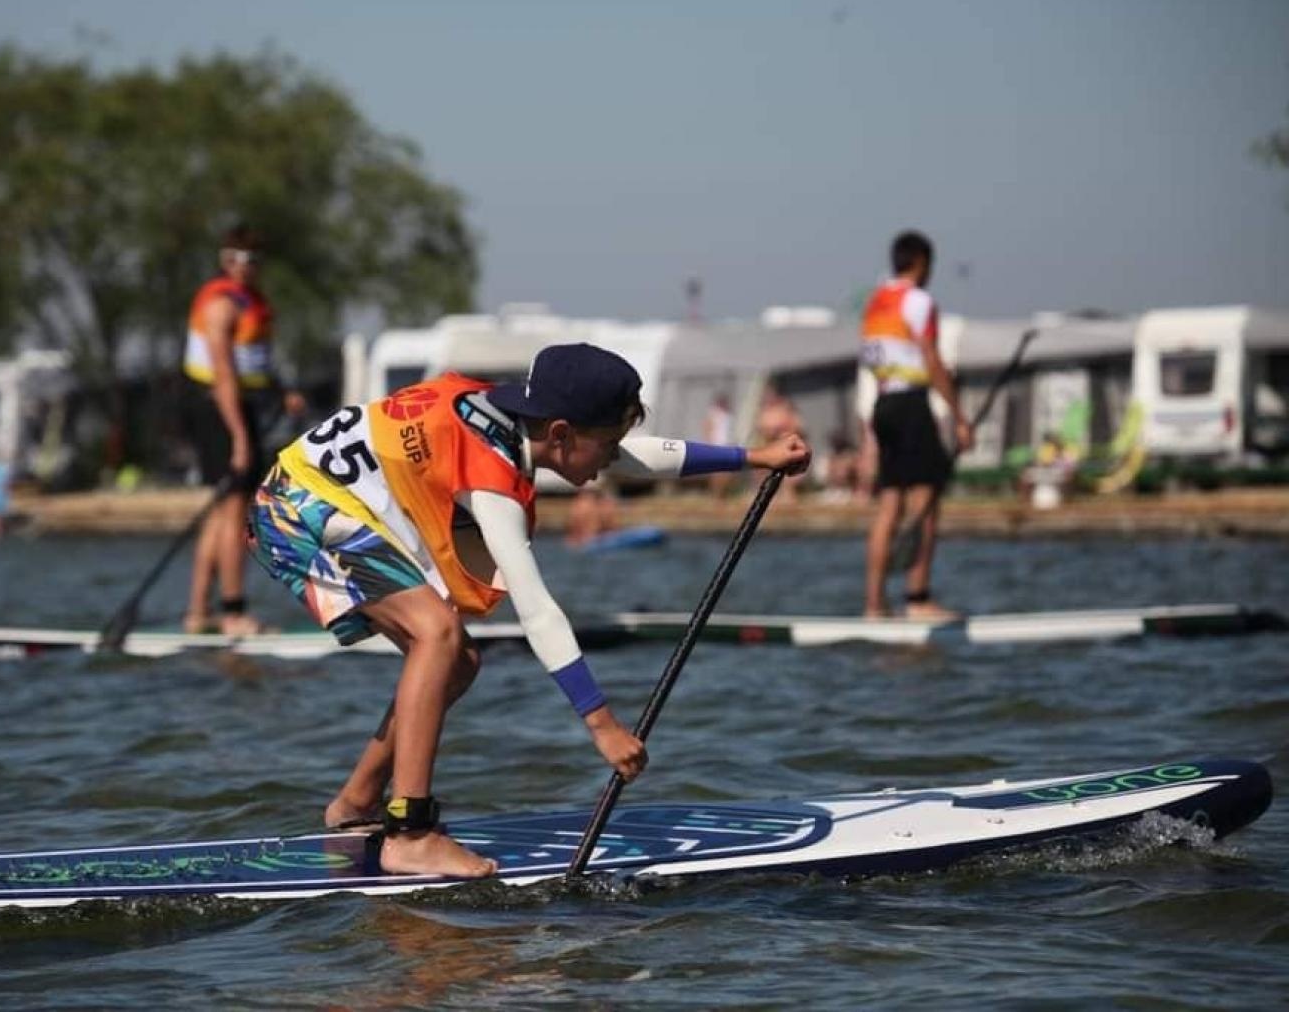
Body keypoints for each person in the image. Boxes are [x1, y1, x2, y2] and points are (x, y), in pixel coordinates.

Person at [248, 343, 811, 878]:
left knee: (458, 660)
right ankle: (411, 835)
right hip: (299, 511)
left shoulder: (518, 421)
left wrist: (753, 457)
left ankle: (355, 803)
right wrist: (602, 725)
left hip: (319, 502)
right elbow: (538, 611)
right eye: (606, 444)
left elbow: (632, 456)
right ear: (562, 434)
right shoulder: (491, 481)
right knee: (438, 635)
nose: (610, 461)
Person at [860, 230, 972, 619]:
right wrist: (959, 416)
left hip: (883, 402)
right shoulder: (920, 301)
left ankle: (874, 606)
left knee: (890, 504)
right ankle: (918, 600)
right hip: (909, 403)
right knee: (926, 501)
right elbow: (932, 362)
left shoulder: (875, 302)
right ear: (922, 263)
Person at [181, 226, 286, 635]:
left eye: (255, 262)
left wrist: (282, 391)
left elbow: (255, 361)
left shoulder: (252, 302)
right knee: (237, 513)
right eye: (240, 260)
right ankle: (232, 613)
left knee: (223, 510)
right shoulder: (221, 306)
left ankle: (197, 614)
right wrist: (240, 439)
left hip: (238, 407)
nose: (248, 269)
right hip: (218, 410)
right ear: (226, 262)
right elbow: (224, 375)